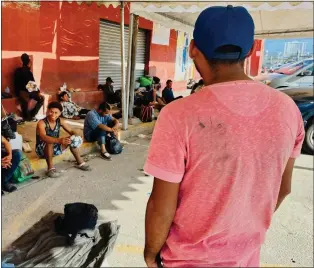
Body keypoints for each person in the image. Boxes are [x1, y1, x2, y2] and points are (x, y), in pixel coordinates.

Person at [144, 5, 305, 268]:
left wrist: (151, 253)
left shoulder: (178, 115)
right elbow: (283, 188)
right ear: (251, 49)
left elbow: (162, 205)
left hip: (186, 261)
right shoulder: (288, 109)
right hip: (246, 258)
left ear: (193, 48)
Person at [36, 102, 91, 178]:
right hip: (42, 150)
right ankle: (50, 169)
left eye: (56, 112)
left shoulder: (60, 121)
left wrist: (77, 134)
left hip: (55, 147)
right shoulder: (42, 123)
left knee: (72, 139)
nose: (53, 114)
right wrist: (59, 140)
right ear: (48, 111)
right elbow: (43, 137)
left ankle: (80, 162)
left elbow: (71, 130)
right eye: (51, 112)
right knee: (49, 142)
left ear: (60, 113)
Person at [14, 53, 44, 121]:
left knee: (25, 99)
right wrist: (38, 92)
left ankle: (29, 116)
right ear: (28, 62)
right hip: (25, 92)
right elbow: (31, 85)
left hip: (18, 92)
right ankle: (31, 115)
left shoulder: (17, 71)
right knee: (41, 98)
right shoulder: (27, 72)